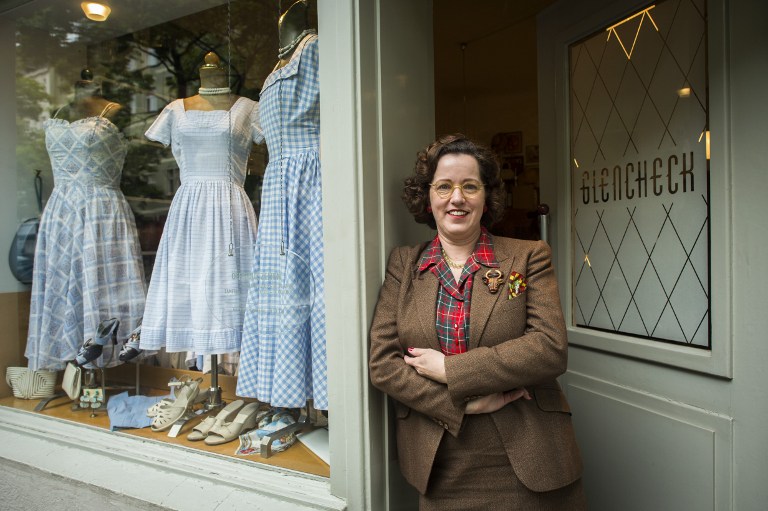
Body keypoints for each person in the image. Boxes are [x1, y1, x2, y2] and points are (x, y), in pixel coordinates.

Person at [369, 134, 585, 510]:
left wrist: (451, 370)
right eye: (444, 186)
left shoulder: (528, 257)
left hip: (531, 458)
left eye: (470, 186)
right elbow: (383, 364)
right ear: (427, 197)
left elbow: (549, 348)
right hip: (440, 464)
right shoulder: (404, 265)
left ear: (487, 198)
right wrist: (459, 406)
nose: (457, 198)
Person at [139, 52, 262, 376]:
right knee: (191, 283)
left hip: (230, 207)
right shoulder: (173, 110)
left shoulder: (249, 109)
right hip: (189, 210)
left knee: (228, 284)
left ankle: (230, 376)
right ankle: (204, 374)